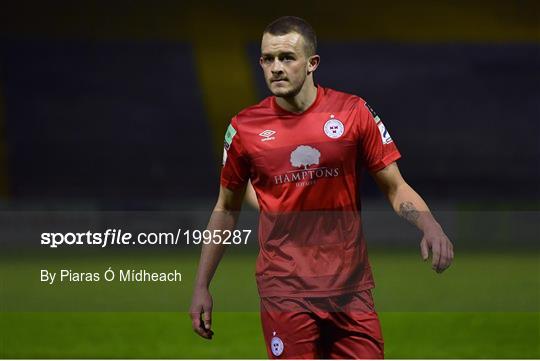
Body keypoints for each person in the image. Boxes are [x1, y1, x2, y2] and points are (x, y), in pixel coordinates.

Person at [190, 16, 454, 359]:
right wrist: (201, 285)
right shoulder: (244, 129)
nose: (276, 68)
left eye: (287, 57)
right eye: (267, 59)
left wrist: (428, 224)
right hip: (284, 290)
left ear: (312, 63)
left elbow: (395, 186)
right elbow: (226, 208)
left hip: (351, 290)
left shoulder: (353, 112)